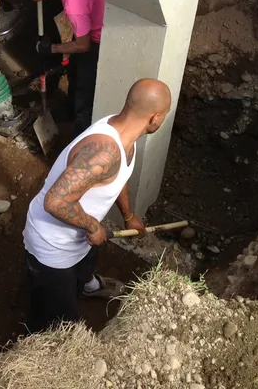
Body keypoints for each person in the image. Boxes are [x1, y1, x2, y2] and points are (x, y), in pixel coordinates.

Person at [22, 78, 172, 333]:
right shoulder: (103, 152)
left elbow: (118, 177)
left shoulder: (125, 134)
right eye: (165, 115)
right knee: (58, 320)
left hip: (77, 233)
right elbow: (55, 201)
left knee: (88, 259)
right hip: (52, 246)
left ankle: (88, 286)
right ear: (155, 118)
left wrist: (129, 215)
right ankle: (49, 338)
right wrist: (92, 226)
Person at [20, 0, 105, 135]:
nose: (40, 1)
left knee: (86, 85)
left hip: (99, 35)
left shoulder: (75, 5)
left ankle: (81, 132)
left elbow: (84, 45)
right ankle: (69, 110)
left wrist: (51, 48)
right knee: (73, 70)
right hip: (97, 4)